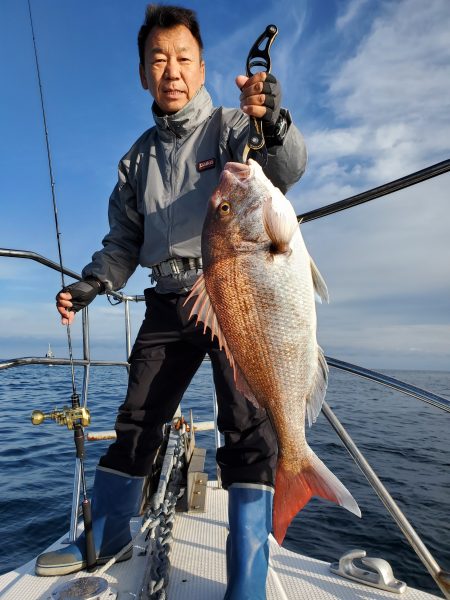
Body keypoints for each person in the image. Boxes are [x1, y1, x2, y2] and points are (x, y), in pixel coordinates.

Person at [35, 5, 307, 598]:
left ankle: (247, 571)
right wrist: (91, 283)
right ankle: (106, 535)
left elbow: (284, 170)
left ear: (203, 66)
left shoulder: (234, 126)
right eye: (158, 59)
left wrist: (273, 120)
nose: (172, 70)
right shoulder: (135, 159)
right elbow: (123, 240)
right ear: (142, 74)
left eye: (183, 58)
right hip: (167, 300)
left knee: (246, 425)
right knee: (137, 417)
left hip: (234, 291)